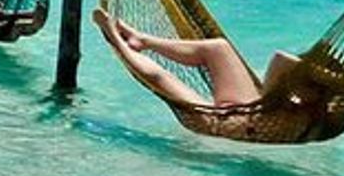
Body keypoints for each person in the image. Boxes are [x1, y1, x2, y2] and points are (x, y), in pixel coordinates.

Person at [91, 7, 277, 107]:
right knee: (218, 47)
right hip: (249, 110)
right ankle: (142, 40)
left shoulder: (296, 116)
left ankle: (116, 38)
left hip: (233, 122)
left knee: (160, 77)